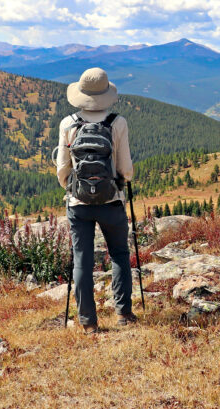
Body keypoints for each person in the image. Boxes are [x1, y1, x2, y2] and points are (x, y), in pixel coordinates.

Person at [56, 67, 136, 332]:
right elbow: (125, 169)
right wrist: (121, 181)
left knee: (82, 261)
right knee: (119, 255)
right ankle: (124, 314)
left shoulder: (67, 123)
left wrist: (74, 188)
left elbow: (62, 170)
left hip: (79, 205)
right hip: (111, 201)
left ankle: (88, 322)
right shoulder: (117, 122)